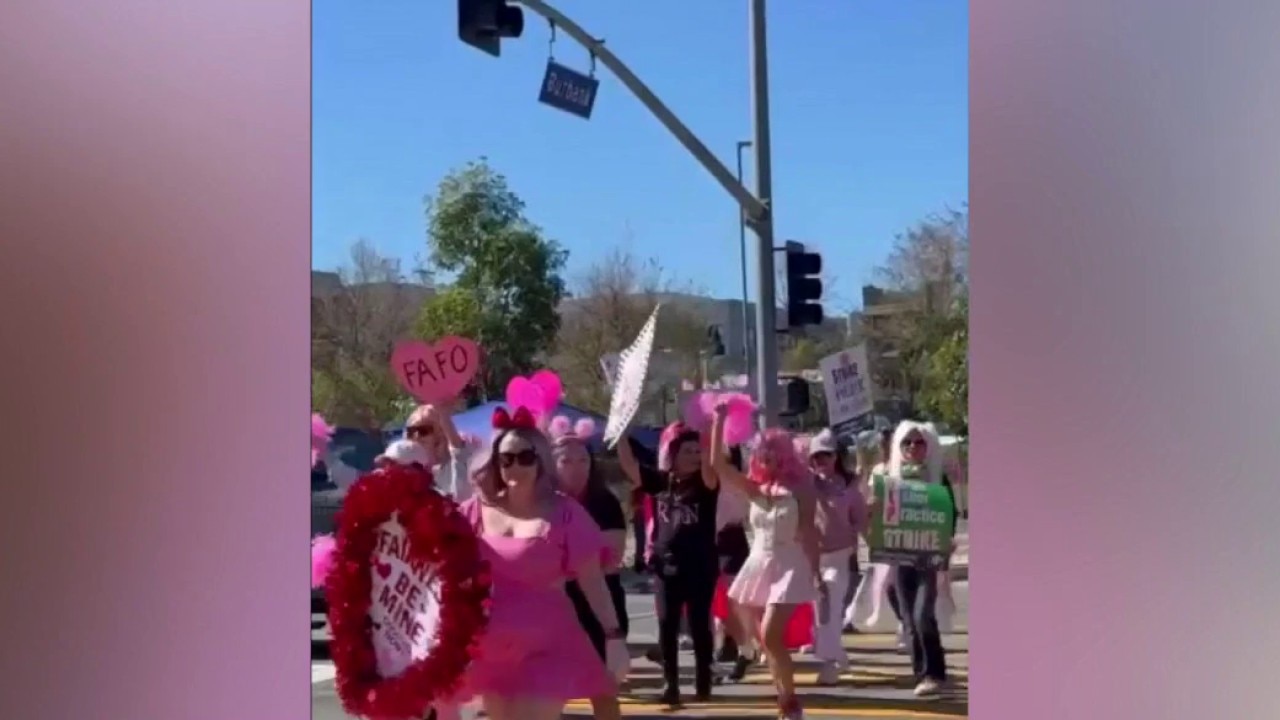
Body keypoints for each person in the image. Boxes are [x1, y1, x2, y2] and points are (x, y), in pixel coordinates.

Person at [455, 406, 626, 720]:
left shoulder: (565, 512)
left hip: (550, 645)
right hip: (493, 646)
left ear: (541, 460)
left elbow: (592, 580)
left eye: (525, 457)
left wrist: (614, 637)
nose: (515, 466)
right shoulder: (472, 512)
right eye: (506, 458)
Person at [709, 404, 819, 720]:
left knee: (771, 634)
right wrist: (719, 421)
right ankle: (784, 699)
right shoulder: (754, 488)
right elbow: (717, 464)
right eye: (760, 453)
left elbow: (809, 531)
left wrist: (816, 573)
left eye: (771, 452)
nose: (764, 457)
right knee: (763, 638)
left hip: (789, 564)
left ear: (784, 454)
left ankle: (790, 701)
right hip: (759, 562)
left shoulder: (801, 489)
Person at [617, 422, 719, 707]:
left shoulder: (706, 484)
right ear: (672, 453)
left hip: (700, 565)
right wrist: (621, 431)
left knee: (699, 625)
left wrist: (715, 427)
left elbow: (712, 464)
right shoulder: (661, 481)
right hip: (666, 565)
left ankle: (703, 679)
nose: (695, 456)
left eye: (698, 451)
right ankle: (671, 683)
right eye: (688, 451)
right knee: (666, 624)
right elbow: (628, 465)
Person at [871, 420, 958, 697]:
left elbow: (950, 515)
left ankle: (935, 672)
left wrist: (947, 541)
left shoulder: (937, 478)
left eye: (919, 442)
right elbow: (878, 516)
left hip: (929, 555)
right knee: (908, 617)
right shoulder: (891, 478)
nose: (912, 447)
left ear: (928, 446)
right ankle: (923, 672)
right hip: (900, 554)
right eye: (906, 442)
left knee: (923, 614)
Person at [549, 417, 626, 720]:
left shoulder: (604, 501)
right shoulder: (541, 503)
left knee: (603, 688)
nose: (577, 467)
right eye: (566, 460)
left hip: (598, 602)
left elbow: (609, 558)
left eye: (583, 459)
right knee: (547, 689)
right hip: (554, 605)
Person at [807, 429, 868, 685]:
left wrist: (859, 538)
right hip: (812, 558)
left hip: (840, 557)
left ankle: (829, 663)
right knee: (817, 612)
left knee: (830, 608)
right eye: (816, 457)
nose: (821, 461)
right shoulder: (807, 484)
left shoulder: (850, 485)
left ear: (836, 457)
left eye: (826, 455)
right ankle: (837, 653)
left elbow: (862, 518)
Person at [404, 403, 475, 501]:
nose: (416, 437)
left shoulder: (462, 462)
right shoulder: (411, 473)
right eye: (411, 432)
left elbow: (459, 450)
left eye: (423, 431)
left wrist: (445, 419)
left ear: (441, 433)